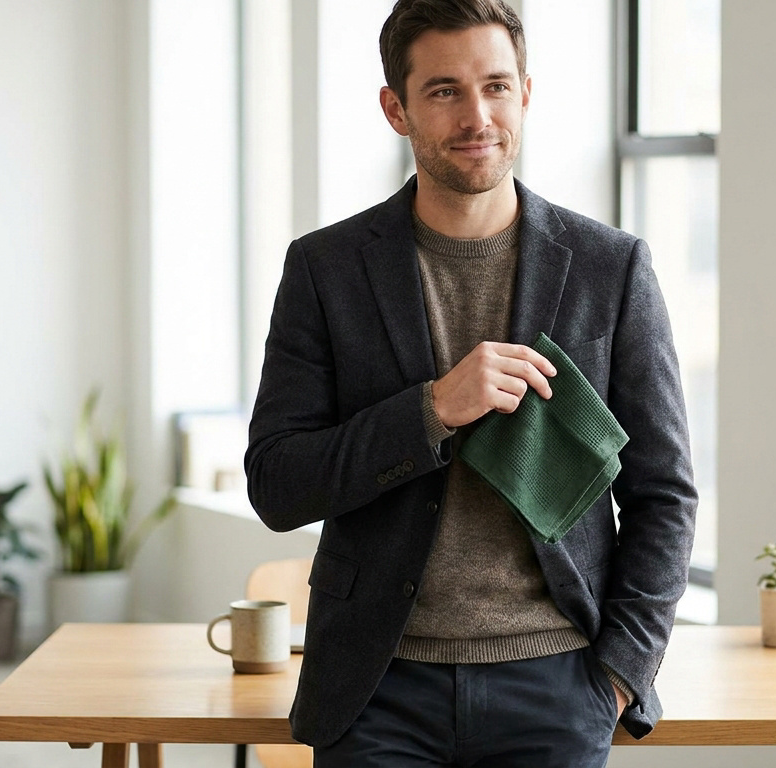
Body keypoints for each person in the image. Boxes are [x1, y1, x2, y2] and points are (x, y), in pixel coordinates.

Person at [245, 0, 696, 765]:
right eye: (445, 90)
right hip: (376, 689)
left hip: (557, 684)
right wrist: (430, 411)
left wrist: (620, 673)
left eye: (495, 85)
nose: (477, 115)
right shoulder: (326, 270)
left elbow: (665, 494)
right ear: (397, 108)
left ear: (526, 91)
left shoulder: (610, 269)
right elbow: (277, 484)